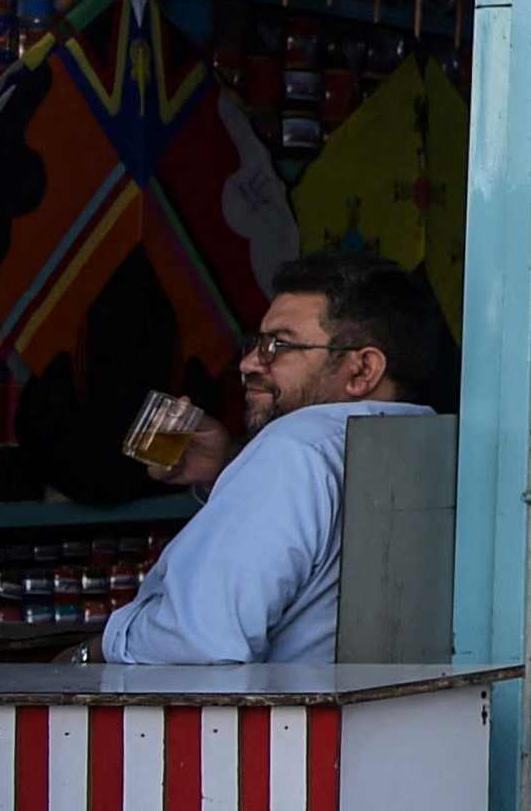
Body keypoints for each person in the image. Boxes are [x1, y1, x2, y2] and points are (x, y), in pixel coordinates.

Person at [97, 256, 453, 681]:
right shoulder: (431, 439)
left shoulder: (293, 446)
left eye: (279, 346)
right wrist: (228, 465)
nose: (249, 363)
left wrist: (96, 647)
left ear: (362, 370)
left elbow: (199, 643)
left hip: (291, 738)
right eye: (256, 343)